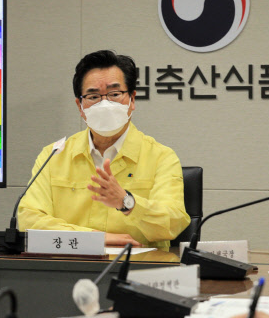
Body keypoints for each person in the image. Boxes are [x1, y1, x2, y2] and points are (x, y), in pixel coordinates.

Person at [17, 50, 190, 248]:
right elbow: (29, 219)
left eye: (115, 94)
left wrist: (127, 202)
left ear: (132, 99)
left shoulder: (161, 157)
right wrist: (93, 238)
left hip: (137, 271)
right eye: (93, 96)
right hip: (67, 270)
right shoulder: (54, 155)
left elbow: (173, 223)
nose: (105, 104)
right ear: (80, 106)